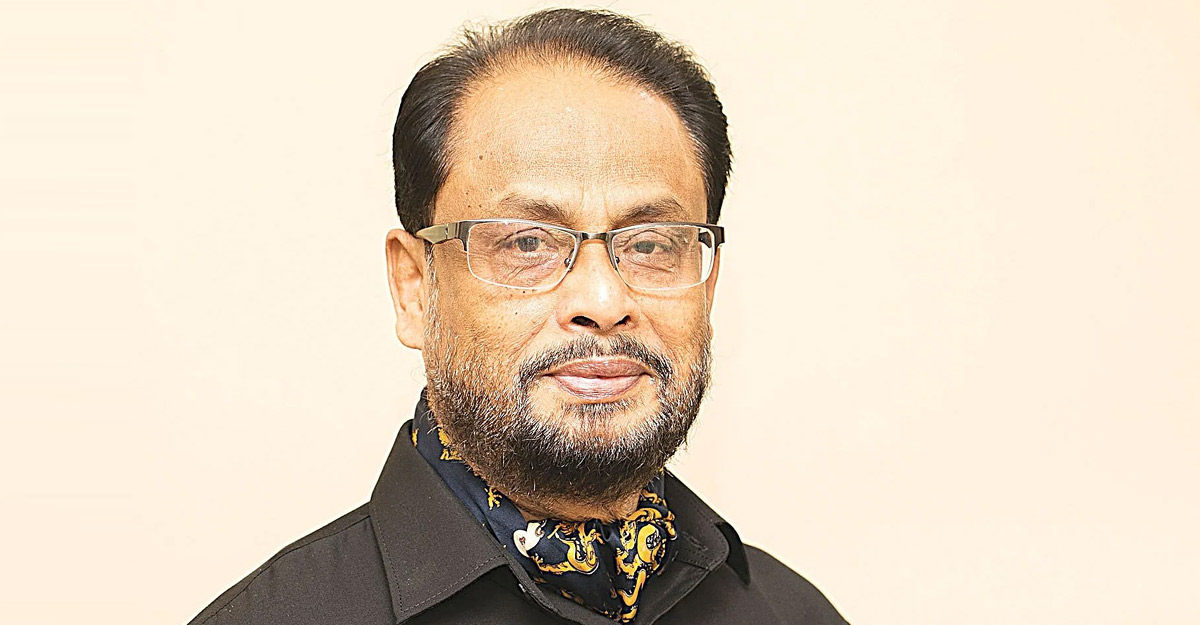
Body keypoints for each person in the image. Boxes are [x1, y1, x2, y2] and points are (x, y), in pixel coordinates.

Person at [189, 8, 847, 625]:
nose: (604, 302)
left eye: (650, 245)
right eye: (527, 243)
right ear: (414, 286)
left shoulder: (792, 612)